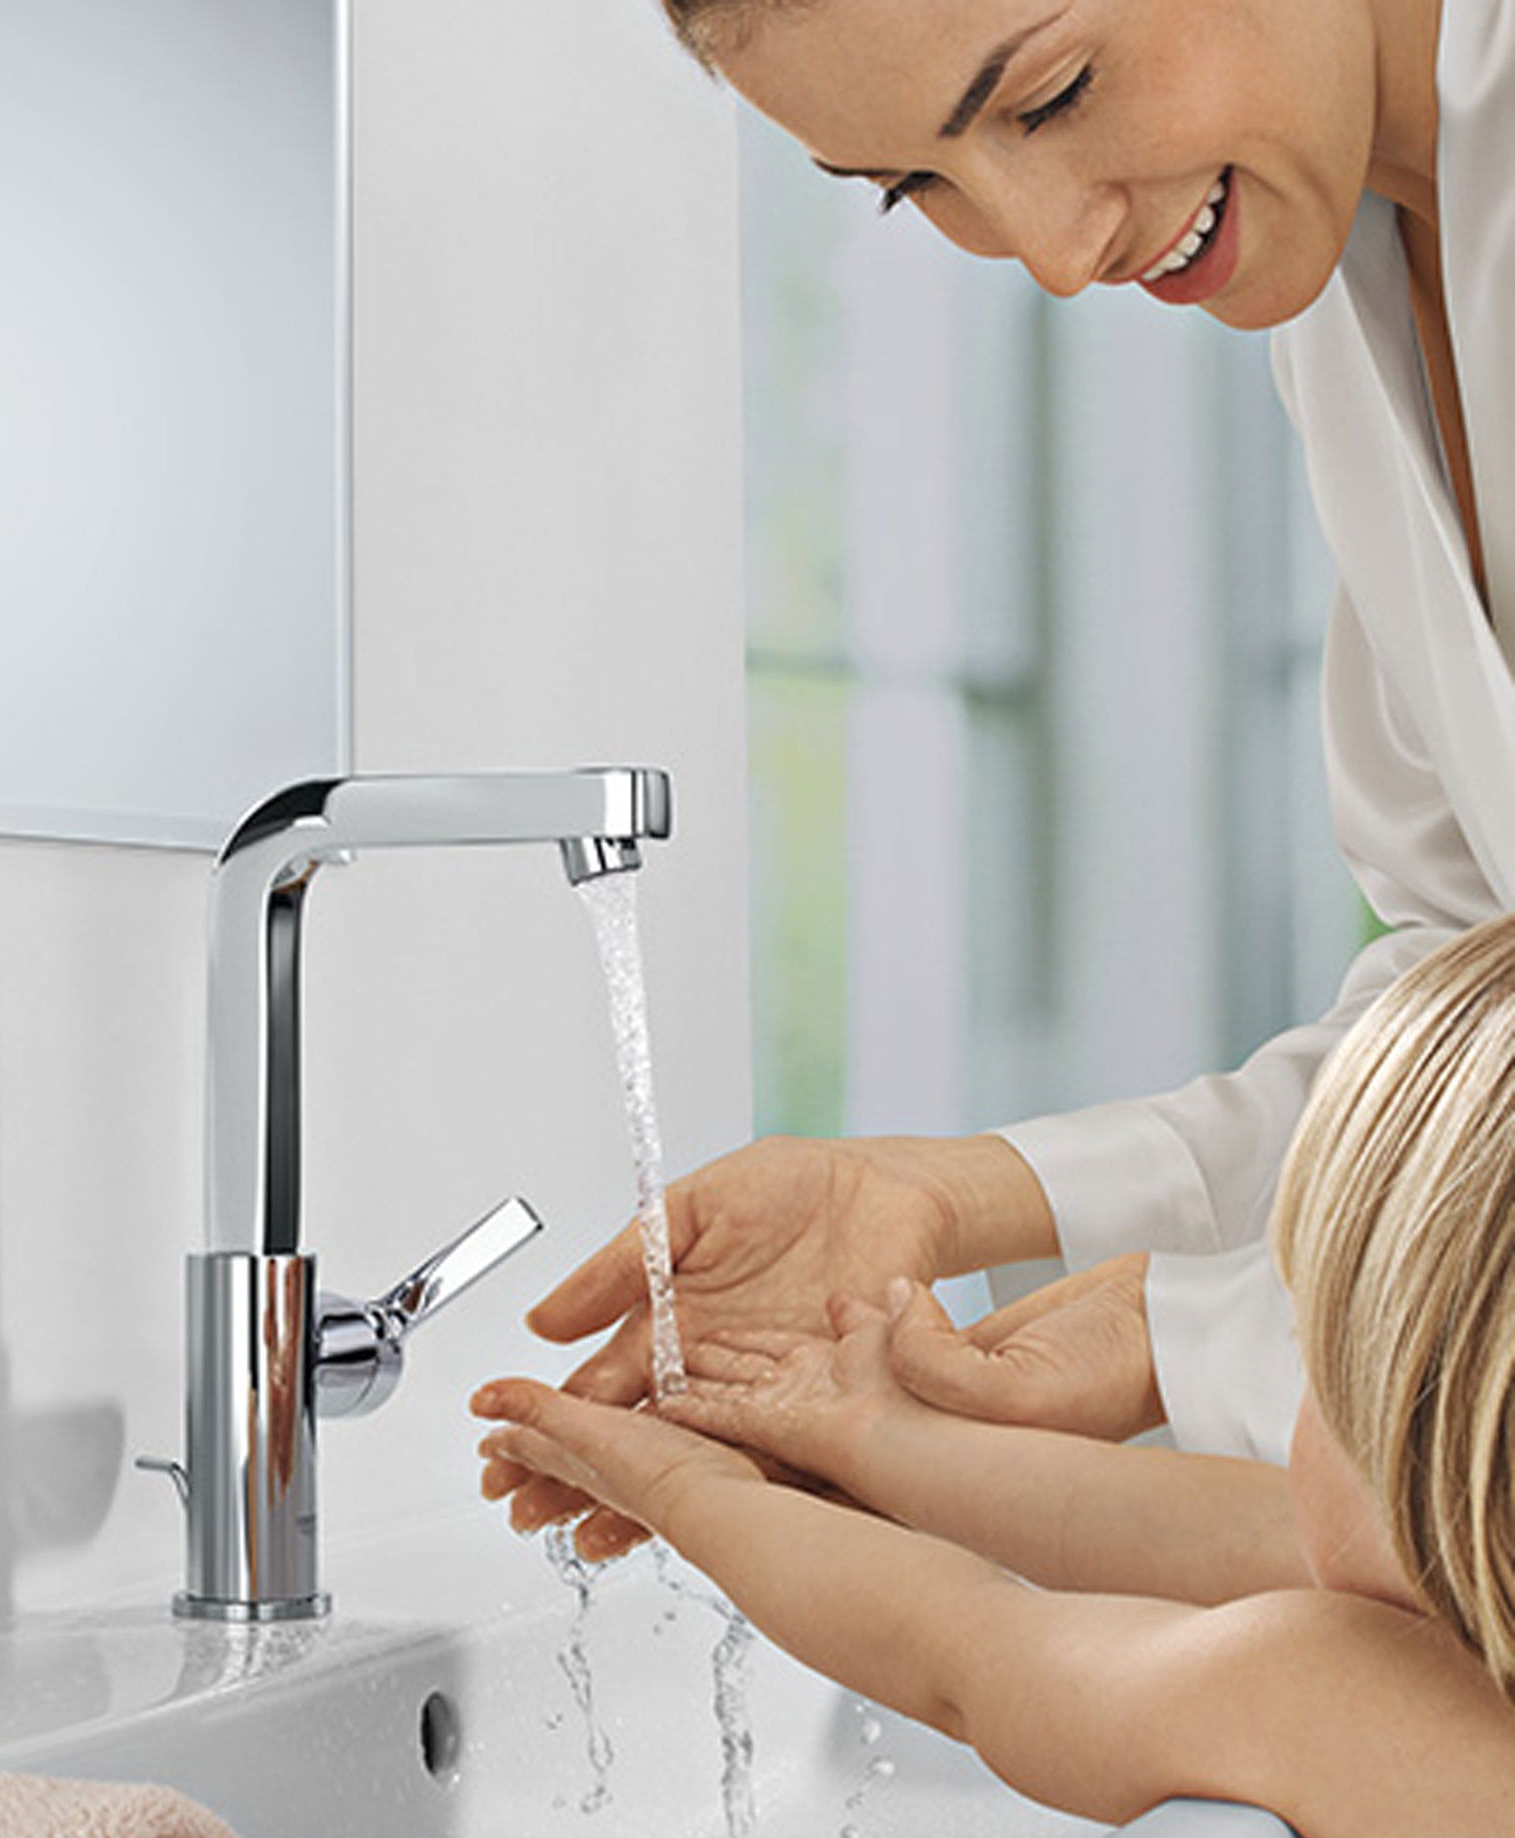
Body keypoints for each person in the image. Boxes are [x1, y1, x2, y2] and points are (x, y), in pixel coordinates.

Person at [497, 0, 1515, 1545]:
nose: (1048, 250)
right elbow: (1470, 1008)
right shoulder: (1337, 270)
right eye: (915, 184)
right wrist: (976, 1196)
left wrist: (1196, 1340)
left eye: (1053, 93)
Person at [477, 914, 1515, 1838]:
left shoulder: (1378, 1714)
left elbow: (964, 1646)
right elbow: (1228, 1527)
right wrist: (882, 1439)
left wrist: (694, 1491)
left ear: (1420, 1423)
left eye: (1306, 1348)